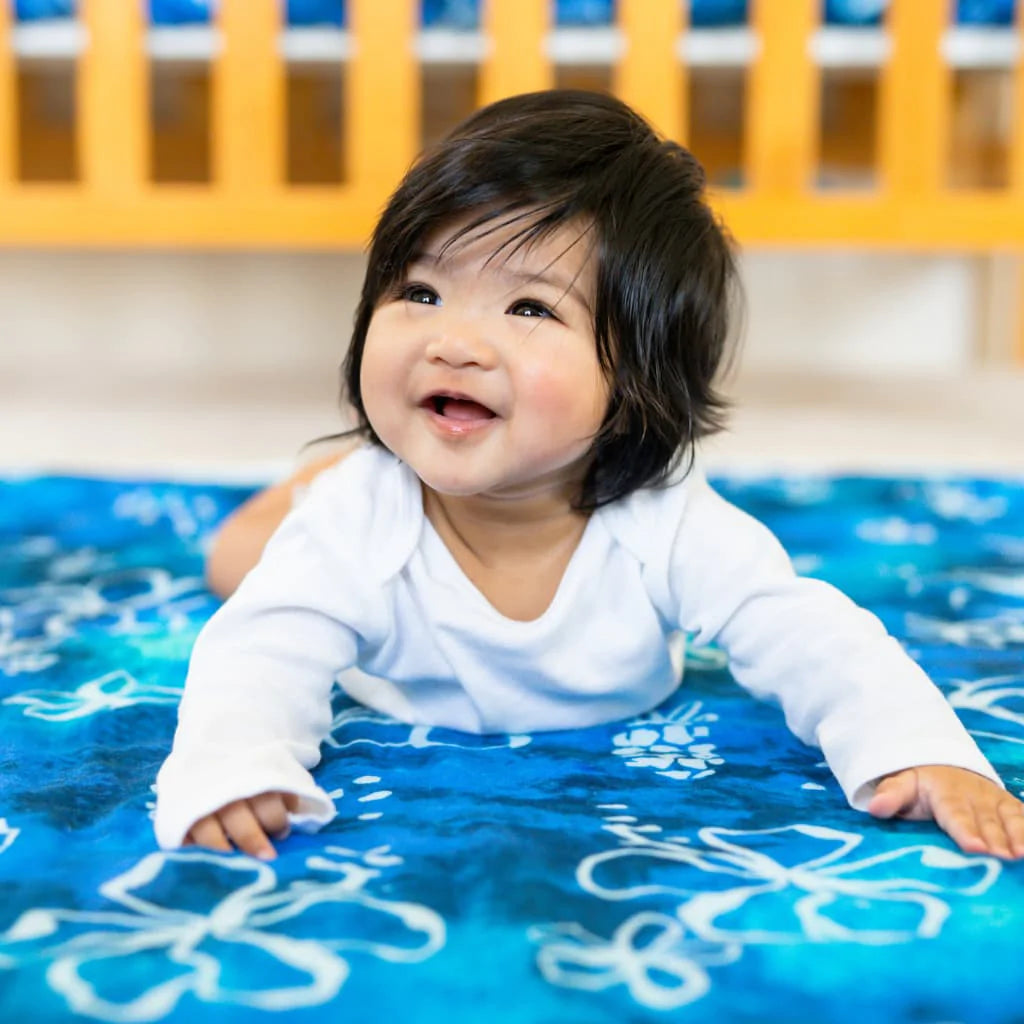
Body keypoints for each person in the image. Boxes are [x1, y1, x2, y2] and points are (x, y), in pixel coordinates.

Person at [155, 89, 1024, 861]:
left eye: (530, 306)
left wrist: (920, 750)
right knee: (240, 566)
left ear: (640, 383)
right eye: (420, 292)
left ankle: (336, 459)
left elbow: (809, 634)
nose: (453, 341)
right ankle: (319, 472)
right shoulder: (358, 520)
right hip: (352, 536)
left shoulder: (665, 519)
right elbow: (259, 655)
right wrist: (235, 769)